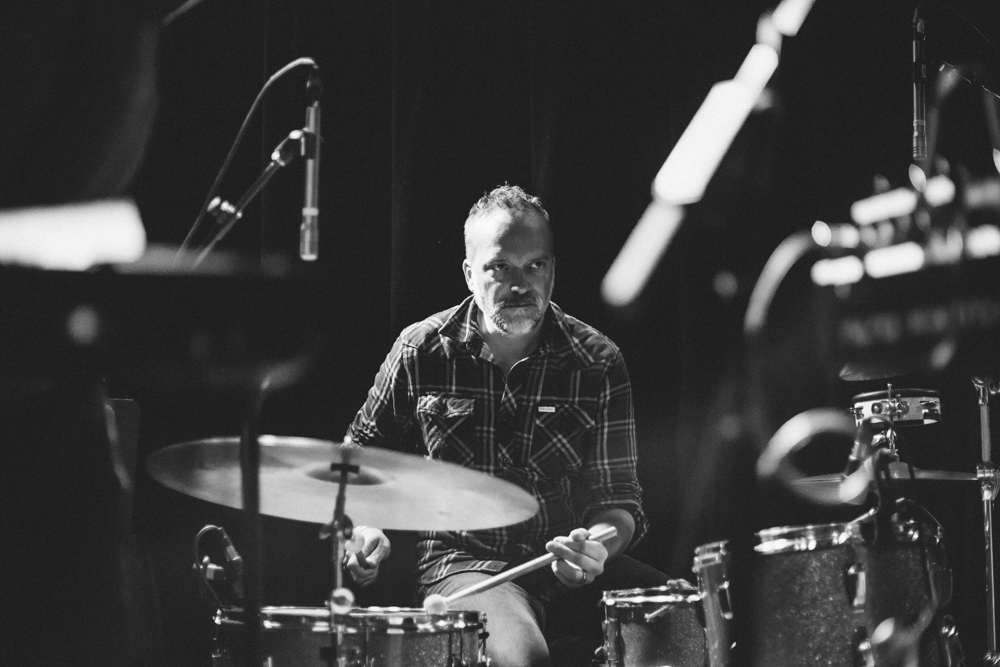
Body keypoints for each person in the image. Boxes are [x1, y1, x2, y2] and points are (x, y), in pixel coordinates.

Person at [344, 184, 669, 666]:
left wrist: (596, 547)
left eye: (535, 265)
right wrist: (364, 525)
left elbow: (618, 499)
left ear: (553, 272)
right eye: (500, 267)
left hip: (566, 562)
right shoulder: (422, 351)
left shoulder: (596, 360)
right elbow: (358, 458)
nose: (520, 284)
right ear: (470, 273)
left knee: (686, 621)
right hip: (465, 566)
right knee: (522, 657)